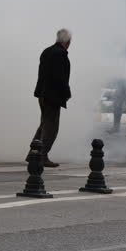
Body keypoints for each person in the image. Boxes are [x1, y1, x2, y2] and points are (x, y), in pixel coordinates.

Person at [30, 28, 72, 168]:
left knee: (44, 124)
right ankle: (41, 156)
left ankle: (33, 153)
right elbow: (60, 78)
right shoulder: (60, 54)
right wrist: (66, 93)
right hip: (53, 96)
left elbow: (41, 74)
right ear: (67, 41)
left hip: (42, 94)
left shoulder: (47, 51)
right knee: (51, 127)